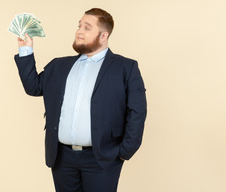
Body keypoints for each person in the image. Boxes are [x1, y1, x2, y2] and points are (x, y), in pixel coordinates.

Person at [14, 8, 147, 192]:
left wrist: (124, 152)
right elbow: (34, 87)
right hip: (62, 159)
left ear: (103, 36)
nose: (79, 31)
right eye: (79, 26)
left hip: (102, 158)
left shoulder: (126, 68)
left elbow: (137, 111)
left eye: (87, 27)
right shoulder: (59, 66)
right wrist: (26, 49)